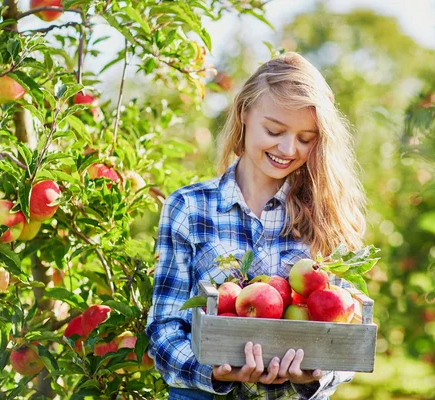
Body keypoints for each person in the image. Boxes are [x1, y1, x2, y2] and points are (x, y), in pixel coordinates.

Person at [146, 52, 367, 400]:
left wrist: (314, 375)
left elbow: (347, 330)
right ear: (244, 112)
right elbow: (164, 327)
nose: (287, 148)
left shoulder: (327, 215)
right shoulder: (189, 207)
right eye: (274, 130)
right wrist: (212, 372)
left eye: (306, 138)